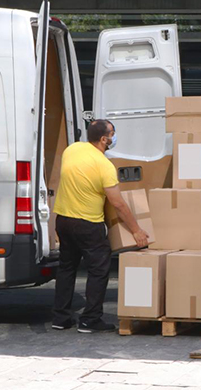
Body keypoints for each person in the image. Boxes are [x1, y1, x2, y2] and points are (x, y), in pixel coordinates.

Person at [51, 119, 149, 333]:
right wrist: (136, 230)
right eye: (113, 133)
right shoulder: (104, 166)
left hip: (63, 220)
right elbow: (118, 204)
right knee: (98, 269)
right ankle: (90, 319)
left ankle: (61, 318)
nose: (115, 136)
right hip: (88, 224)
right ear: (104, 139)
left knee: (67, 268)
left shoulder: (72, 149)